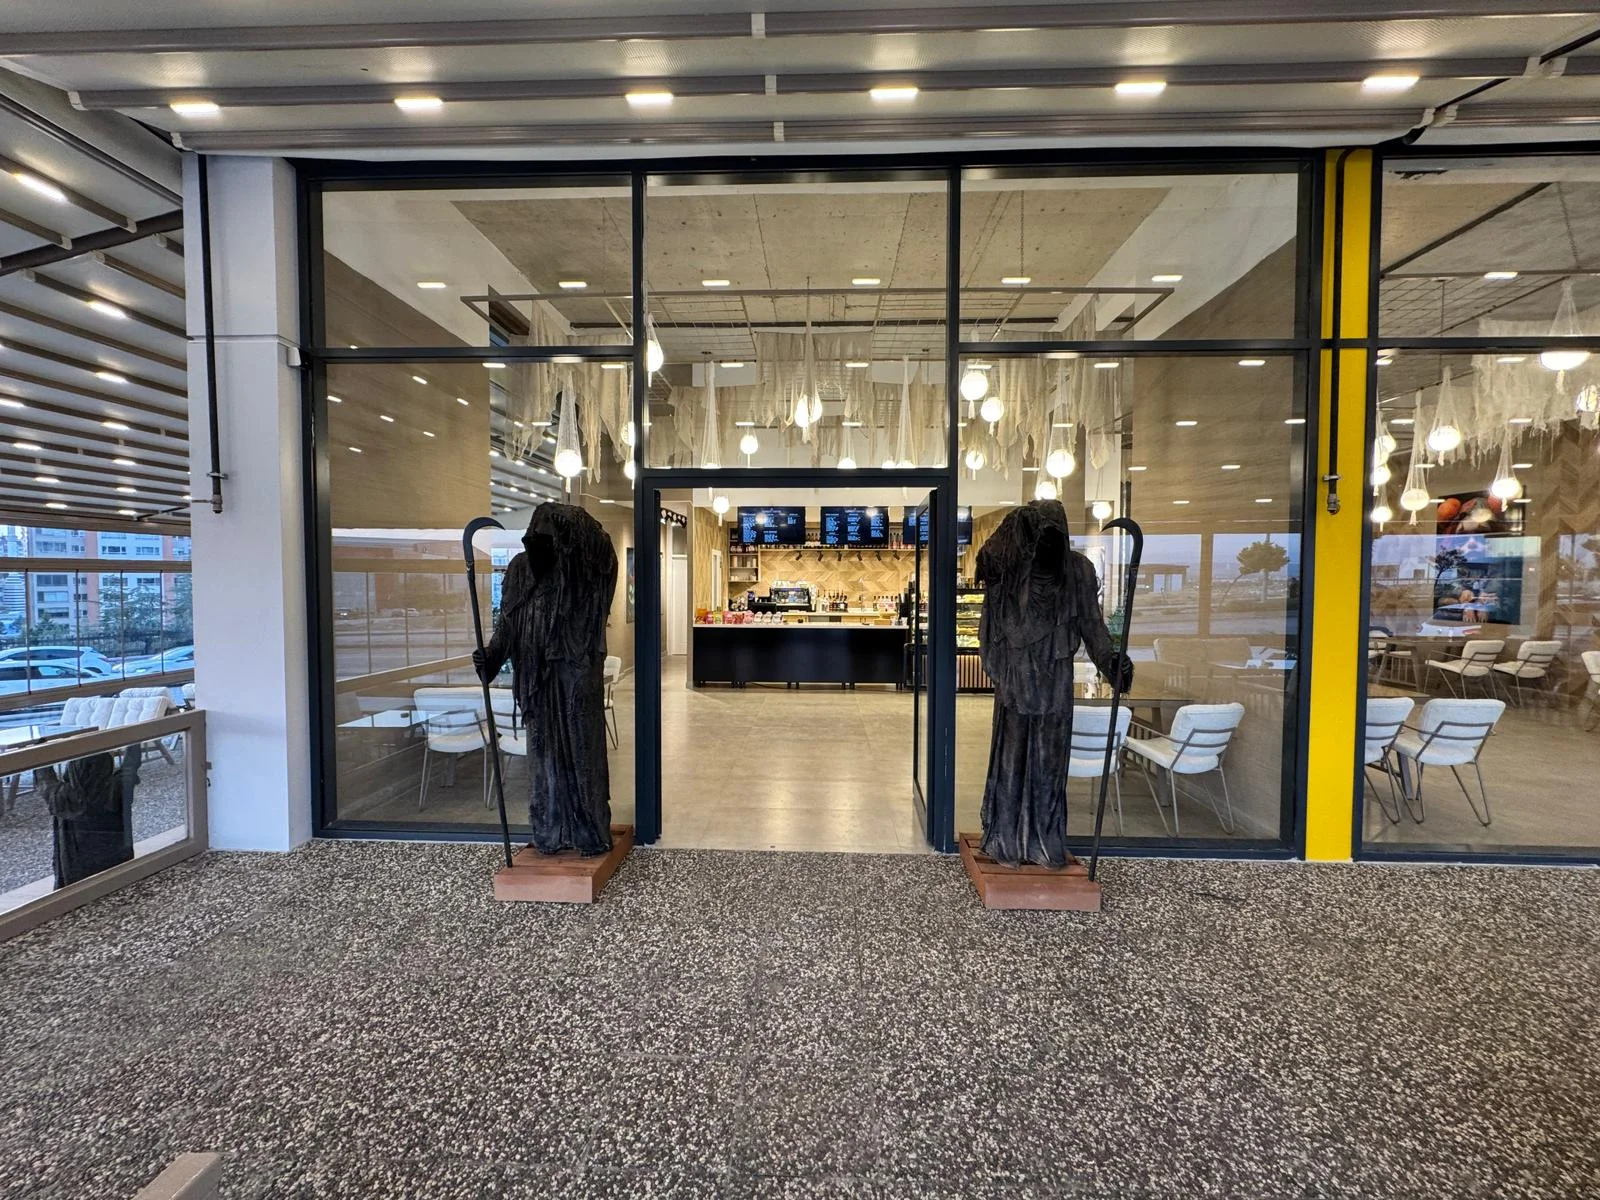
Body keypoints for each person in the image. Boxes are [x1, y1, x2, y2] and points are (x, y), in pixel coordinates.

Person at [976, 499, 1132, 868]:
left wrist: (1111, 663)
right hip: (1015, 680)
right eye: (1040, 534)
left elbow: (1093, 626)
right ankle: (1005, 839)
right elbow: (986, 573)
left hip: (1055, 681)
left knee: (1049, 764)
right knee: (1011, 763)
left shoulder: (1078, 571)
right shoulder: (1010, 568)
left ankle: (1044, 843)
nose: (1047, 542)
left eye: (1054, 534)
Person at [474, 503, 618, 856]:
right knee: (543, 758)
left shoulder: (584, 573)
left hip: (574, 675)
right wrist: (491, 656)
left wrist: (569, 524)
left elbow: (604, 551)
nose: (538, 545)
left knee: (582, 754)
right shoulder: (519, 570)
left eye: (548, 538)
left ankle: (588, 831)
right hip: (535, 679)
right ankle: (550, 830)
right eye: (533, 538)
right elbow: (508, 622)